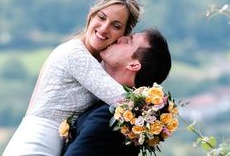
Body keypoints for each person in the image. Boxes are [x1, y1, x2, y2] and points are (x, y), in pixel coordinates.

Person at [2, 0, 141, 156]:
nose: (104, 28)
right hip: (36, 145)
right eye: (101, 17)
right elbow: (125, 101)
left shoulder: (99, 62)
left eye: (116, 26)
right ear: (91, 15)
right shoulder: (75, 54)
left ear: (123, 35)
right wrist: (160, 110)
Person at [62, 28, 172, 156]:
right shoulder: (120, 117)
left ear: (133, 65)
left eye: (129, 41)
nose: (120, 38)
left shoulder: (110, 118)